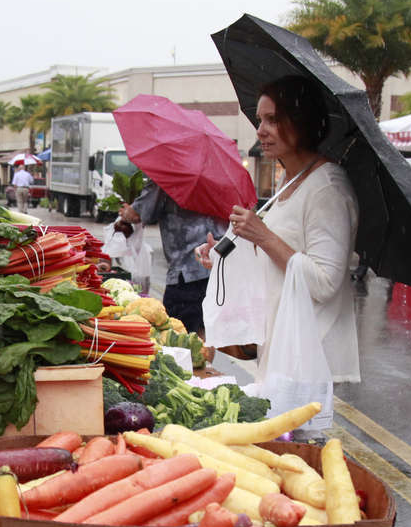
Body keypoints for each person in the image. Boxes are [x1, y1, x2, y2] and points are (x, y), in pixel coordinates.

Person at [196, 75, 361, 384]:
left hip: (308, 359)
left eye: (272, 120)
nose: (260, 131)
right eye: (260, 120)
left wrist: (264, 236)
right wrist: (221, 257)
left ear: (302, 121)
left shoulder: (327, 188)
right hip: (279, 348)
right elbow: (280, 257)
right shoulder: (291, 180)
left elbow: (325, 283)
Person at [119, 182, 226, 334]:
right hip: (218, 266)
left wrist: (127, 212)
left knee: (175, 333)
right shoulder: (216, 175)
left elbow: (141, 213)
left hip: (187, 270)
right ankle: (203, 358)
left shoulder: (169, 175)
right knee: (204, 330)